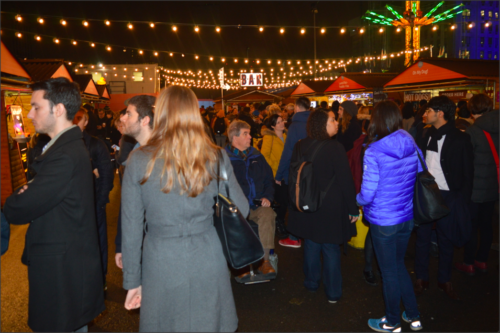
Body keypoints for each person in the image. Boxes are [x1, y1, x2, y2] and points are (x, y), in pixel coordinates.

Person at [122, 86, 249, 332]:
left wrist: (132, 281)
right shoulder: (216, 156)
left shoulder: (138, 160)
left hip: (161, 258)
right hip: (206, 254)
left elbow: (131, 227)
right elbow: (241, 209)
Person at [3, 77, 104, 332]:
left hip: (63, 273)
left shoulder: (65, 155)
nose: (29, 113)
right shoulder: (63, 148)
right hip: (63, 266)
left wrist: (22, 193)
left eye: (36, 107)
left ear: (58, 109)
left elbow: (18, 207)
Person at [357, 101, 424, 332]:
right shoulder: (409, 139)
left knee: (389, 272)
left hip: (384, 221)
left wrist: (356, 201)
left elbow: (367, 194)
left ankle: (392, 321)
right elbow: (419, 171)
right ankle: (413, 316)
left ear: (376, 120)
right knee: (398, 266)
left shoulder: (373, 150)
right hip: (406, 217)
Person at [287, 108, 359, 304]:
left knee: (311, 243)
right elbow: (346, 180)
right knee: (330, 247)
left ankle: (311, 283)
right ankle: (333, 292)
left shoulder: (300, 145)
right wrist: (353, 209)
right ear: (322, 124)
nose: (337, 123)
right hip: (330, 207)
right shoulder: (334, 147)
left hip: (306, 204)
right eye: (333, 120)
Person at [414, 95, 474, 301]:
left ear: (440, 114)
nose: (424, 114)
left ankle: (444, 280)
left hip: (449, 195)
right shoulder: (424, 134)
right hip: (426, 193)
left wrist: (462, 202)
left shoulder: (461, 138)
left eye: (428, 111)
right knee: (421, 238)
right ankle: (421, 278)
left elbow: (468, 173)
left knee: (446, 240)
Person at [226, 120, 277, 281]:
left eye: (249, 133)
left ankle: (265, 261)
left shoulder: (257, 156)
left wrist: (268, 197)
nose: (250, 137)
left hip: (256, 205)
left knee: (268, 214)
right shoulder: (224, 159)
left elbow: (270, 179)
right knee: (236, 221)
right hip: (235, 206)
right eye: (245, 134)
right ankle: (241, 265)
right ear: (235, 137)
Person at [455, 94, 499, 275]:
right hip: (494, 185)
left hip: (475, 188)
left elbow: (466, 162)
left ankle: (469, 262)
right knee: (487, 225)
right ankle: (482, 260)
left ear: (472, 110)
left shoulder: (473, 131)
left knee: (472, 225)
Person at [73, 108, 115, 286]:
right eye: (74, 119)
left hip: (94, 201)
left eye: (80, 119)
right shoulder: (65, 145)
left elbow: (107, 175)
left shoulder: (96, 144)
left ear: (86, 121)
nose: (77, 122)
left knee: (98, 240)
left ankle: (100, 277)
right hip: (73, 204)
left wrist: (101, 200)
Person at [115, 95, 156, 269]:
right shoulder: (135, 157)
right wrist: (121, 244)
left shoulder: (163, 157)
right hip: (141, 246)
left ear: (145, 120)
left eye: (129, 114)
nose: (123, 118)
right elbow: (129, 209)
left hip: (157, 249)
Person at [276, 97, 312, 248]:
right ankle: (308, 235)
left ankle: (294, 236)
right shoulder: (315, 123)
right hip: (313, 170)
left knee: (295, 204)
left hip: (296, 171)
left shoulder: (295, 126)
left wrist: (279, 174)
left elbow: (288, 152)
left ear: (297, 107)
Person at [260, 114, 288, 239]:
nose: (282, 123)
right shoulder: (269, 137)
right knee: (281, 200)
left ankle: (279, 221)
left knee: (285, 200)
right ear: (272, 126)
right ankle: (278, 222)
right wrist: (276, 167)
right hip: (275, 174)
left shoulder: (287, 136)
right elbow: (264, 156)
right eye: (278, 122)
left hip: (286, 174)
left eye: (282, 121)